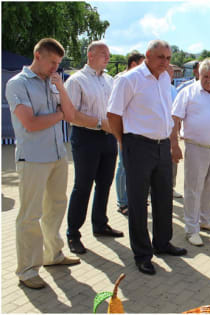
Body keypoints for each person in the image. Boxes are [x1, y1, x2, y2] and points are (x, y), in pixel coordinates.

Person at [5, 38, 80, 290]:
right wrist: (60, 114)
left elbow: (71, 115)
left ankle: (53, 255)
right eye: (52, 63)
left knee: (56, 207)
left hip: (58, 155)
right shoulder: (17, 84)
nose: (55, 68)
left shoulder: (54, 82)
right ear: (38, 55)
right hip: (33, 159)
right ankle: (27, 270)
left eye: (59, 64)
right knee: (30, 215)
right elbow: (31, 123)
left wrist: (63, 89)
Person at [107, 40, 187, 276]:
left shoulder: (164, 78)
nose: (166, 62)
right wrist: (124, 141)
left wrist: (171, 142)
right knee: (138, 202)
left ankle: (162, 243)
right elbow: (113, 114)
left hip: (162, 145)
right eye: (161, 57)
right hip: (138, 146)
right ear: (148, 56)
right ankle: (142, 254)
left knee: (164, 198)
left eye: (169, 58)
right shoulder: (129, 79)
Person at [65, 41, 123, 255]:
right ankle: (73, 233)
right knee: (83, 186)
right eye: (103, 54)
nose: (107, 58)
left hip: (108, 138)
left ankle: (100, 224)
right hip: (86, 138)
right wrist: (99, 123)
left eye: (108, 54)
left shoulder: (109, 80)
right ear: (90, 55)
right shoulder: (77, 81)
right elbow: (70, 114)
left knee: (105, 183)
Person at [171, 60, 210, 246]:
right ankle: (191, 229)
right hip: (196, 147)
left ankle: (205, 220)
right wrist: (174, 145)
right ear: (199, 74)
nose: (208, 80)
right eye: (205, 76)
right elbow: (175, 119)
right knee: (193, 188)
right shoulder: (187, 93)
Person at [115, 52, 145, 216]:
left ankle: (134, 198)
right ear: (134, 64)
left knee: (135, 167)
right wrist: (119, 135)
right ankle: (122, 202)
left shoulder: (139, 79)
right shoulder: (122, 79)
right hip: (125, 132)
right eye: (142, 64)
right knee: (123, 166)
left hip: (138, 133)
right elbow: (115, 111)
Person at [167, 64, 183, 199]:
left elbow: (178, 111)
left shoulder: (173, 89)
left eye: (172, 73)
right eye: (168, 72)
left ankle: (171, 187)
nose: (171, 75)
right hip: (159, 132)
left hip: (171, 132)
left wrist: (179, 129)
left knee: (173, 161)